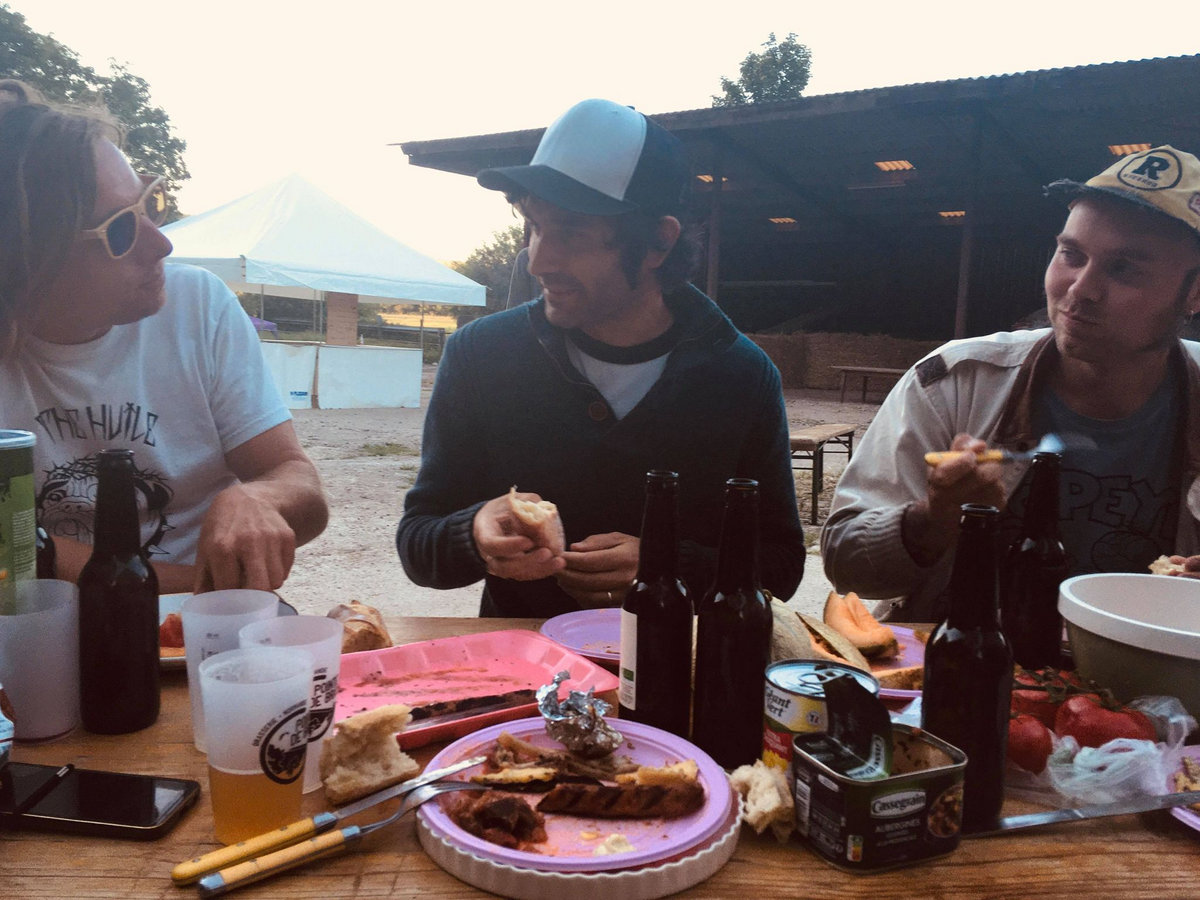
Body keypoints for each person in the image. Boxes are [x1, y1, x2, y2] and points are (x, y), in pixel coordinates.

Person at [397, 98, 805, 617]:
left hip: (675, 660)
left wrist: (667, 565)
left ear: (658, 242)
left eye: (570, 232)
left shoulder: (742, 375)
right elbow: (418, 544)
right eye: (534, 226)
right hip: (519, 665)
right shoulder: (481, 355)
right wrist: (473, 532)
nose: (539, 260)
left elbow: (782, 565)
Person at [822, 145, 1200, 622]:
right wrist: (931, 521)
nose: (1080, 288)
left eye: (1124, 268)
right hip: (959, 658)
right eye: (1071, 254)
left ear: (1195, 293)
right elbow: (845, 568)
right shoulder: (956, 382)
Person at [0, 80, 328, 593]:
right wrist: (205, 588)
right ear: (28, 265)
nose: (162, 244)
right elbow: (17, 552)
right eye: (119, 230)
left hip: (203, 622)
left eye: (148, 203)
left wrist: (261, 498)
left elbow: (301, 488)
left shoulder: (198, 304)